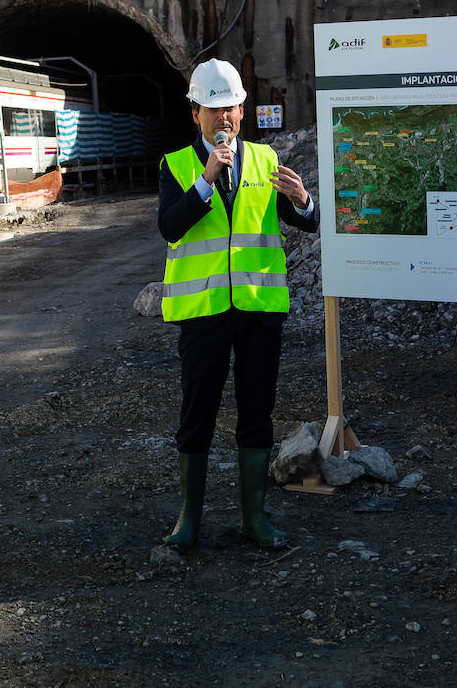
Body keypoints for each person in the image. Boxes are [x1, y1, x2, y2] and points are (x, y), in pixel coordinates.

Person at [157, 59, 319, 551]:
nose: (222, 117)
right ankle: (189, 520)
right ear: (195, 114)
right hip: (203, 315)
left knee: (257, 413)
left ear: (242, 110)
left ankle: (255, 518)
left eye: (229, 108)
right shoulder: (176, 165)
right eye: (212, 109)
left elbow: (305, 224)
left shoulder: (267, 161)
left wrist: (304, 199)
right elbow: (170, 227)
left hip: (258, 311)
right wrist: (205, 180)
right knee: (197, 415)